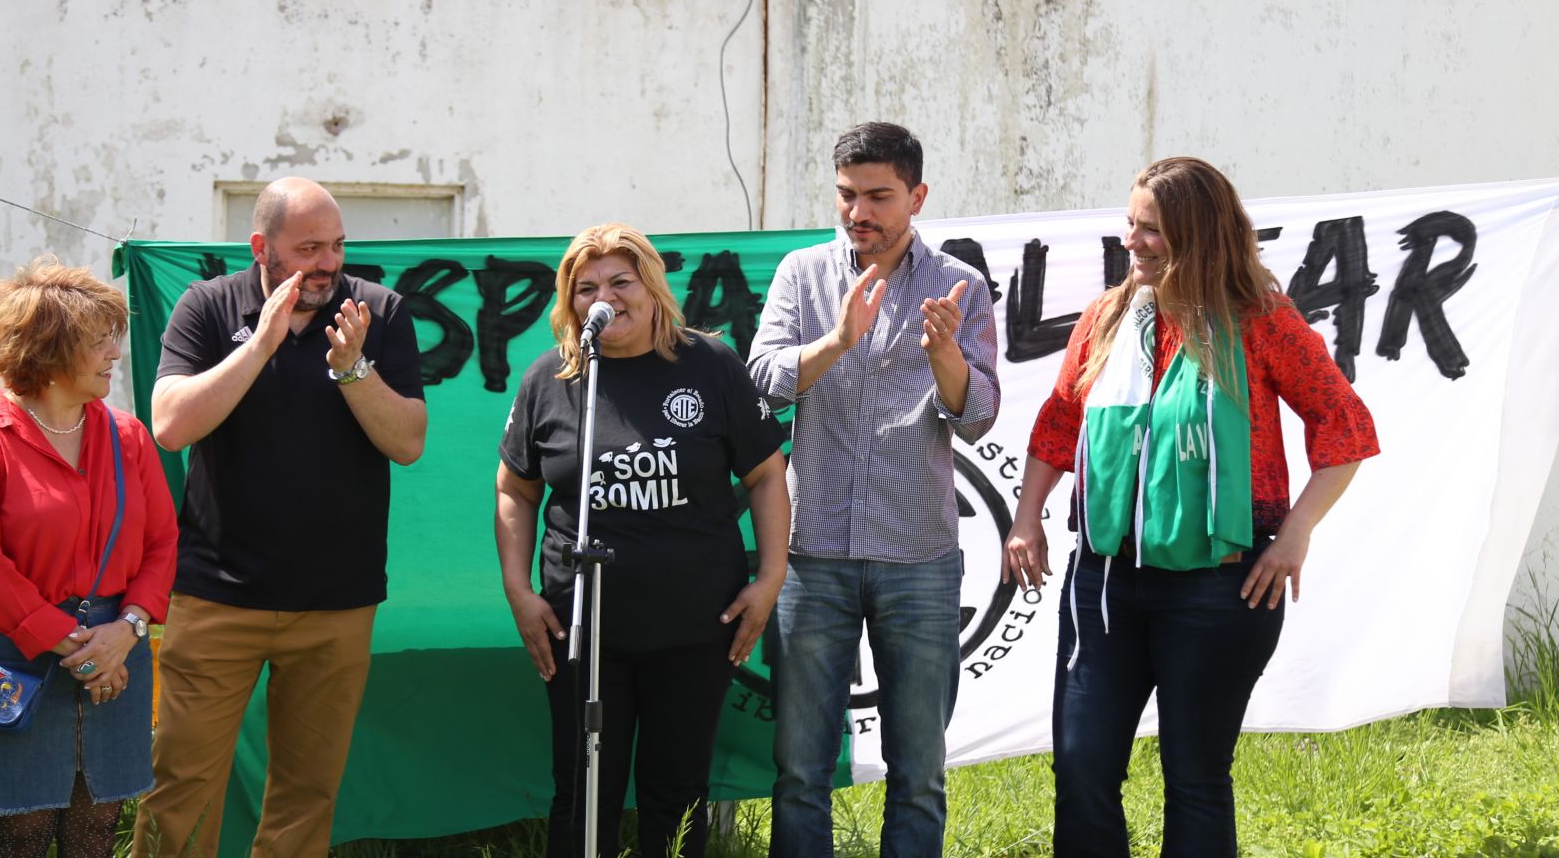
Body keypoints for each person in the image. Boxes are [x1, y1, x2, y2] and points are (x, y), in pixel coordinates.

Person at [1005, 156, 1379, 857]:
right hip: (1107, 581)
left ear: (1200, 236)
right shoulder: (1106, 317)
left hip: (1223, 585)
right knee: (1082, 765)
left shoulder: (1261, 320)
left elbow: (1344, 425)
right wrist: (1028, 519)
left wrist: (1295, 535)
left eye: (1153, 231)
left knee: (1196, 776)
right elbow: (1058, 424)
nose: (1133, 242)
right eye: (1130, 225)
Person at [133, 177, 427, 857]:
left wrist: (353, 369)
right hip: (216, 598)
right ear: (262, 247)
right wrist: (260, 345)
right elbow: (171, 425)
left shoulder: (377, 311)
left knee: (307, 795)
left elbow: (408, 442)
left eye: (338, 246)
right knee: (180, 786)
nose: (329, 263)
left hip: (335, 604)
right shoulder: (207, 306)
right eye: (310, 248)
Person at [747, 121, 1001, 858]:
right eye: (847, 195)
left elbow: (979, 415)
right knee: (798, 770)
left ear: (917, 196)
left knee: (919, 771)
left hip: (919, 559)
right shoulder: (802, 273)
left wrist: (947, 354)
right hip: (812, 556)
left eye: (879, 196)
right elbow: (761, 384)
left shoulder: (961, 285)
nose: (860, 211)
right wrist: (837, 341)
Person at [496, 222, 790, 858]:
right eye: (587, 287)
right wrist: (519, 592)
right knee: (581, 791)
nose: (605, 297)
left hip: (693, 624)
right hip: (583, 627)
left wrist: (769, 581)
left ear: (652, 287)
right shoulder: (552, 378)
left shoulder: (709, 363)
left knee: (676, 791)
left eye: (621, 281)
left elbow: (767, 474)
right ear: (570, 302)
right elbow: (515, 491)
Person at [0, 258, 178, 857]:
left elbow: (164, 543)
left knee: (96, 829)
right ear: (51, 348)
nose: (114, 352)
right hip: (13, 656)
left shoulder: (127, 436)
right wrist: (79, 646)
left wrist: (127, 630)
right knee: (22, 833)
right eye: (99, 340)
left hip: (117, 647)